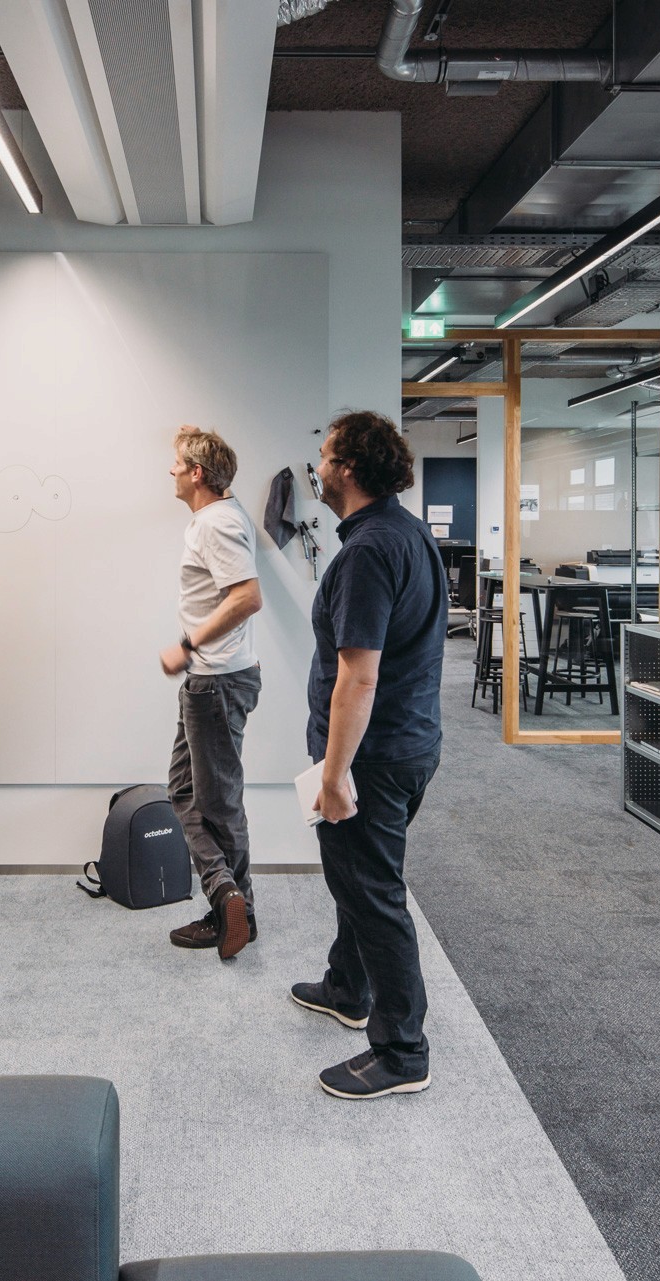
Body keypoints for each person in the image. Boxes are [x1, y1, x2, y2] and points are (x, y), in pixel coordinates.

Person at [292, 410, 447, 1100]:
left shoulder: (368, 552)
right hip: (405, 746)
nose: (317, 469)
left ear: (348, 468)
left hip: (372, 759)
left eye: (324, 457)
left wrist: (333, 775)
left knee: (374, 893)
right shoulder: (405, 533)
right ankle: (347, 986)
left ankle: (401, 1051)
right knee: (358, 878)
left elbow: (359, 676)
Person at [159, 426, 264, 959]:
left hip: (215, 681)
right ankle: (227, 896)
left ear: (197, 474)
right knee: (183, 788)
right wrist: (189, 436)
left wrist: (187, 644)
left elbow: (247, 597)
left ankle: (236, 909)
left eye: (178, 463)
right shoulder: (221, 511)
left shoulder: (216, 523)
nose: (171, 470)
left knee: (219, 804)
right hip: (213, 679)